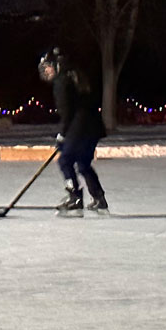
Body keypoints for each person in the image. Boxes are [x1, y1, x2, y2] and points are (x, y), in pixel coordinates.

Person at [39, 48, 108, 215]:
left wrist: (63, 134)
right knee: (83, 163)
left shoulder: (62, 82)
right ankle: (99, 198)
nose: (47, 71)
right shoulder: (75, 76)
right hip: (93, 127)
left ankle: (75, 197)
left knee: (65, 161)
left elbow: (67, 111)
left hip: (81, 127)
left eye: (48, 67)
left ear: (57, 65)